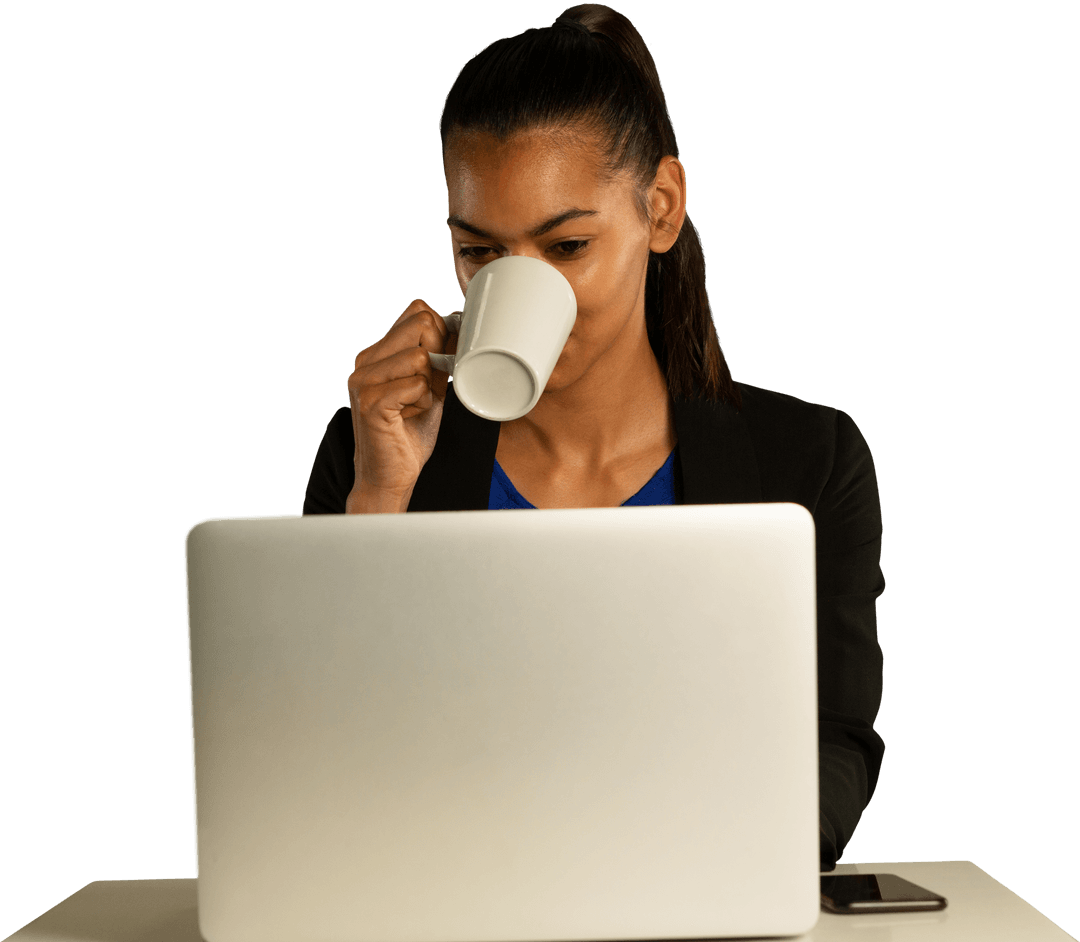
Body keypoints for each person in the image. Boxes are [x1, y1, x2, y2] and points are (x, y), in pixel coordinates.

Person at [303, 3, 885, 871]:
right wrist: (384, 500)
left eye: (567, 244)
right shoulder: (373, 452)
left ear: (661, 209)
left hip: (701, 895)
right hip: (442, 899)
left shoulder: (808, 460)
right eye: (480, 254)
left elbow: (833, 742)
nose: (519, 286)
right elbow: (313, 756)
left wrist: (731, 874)